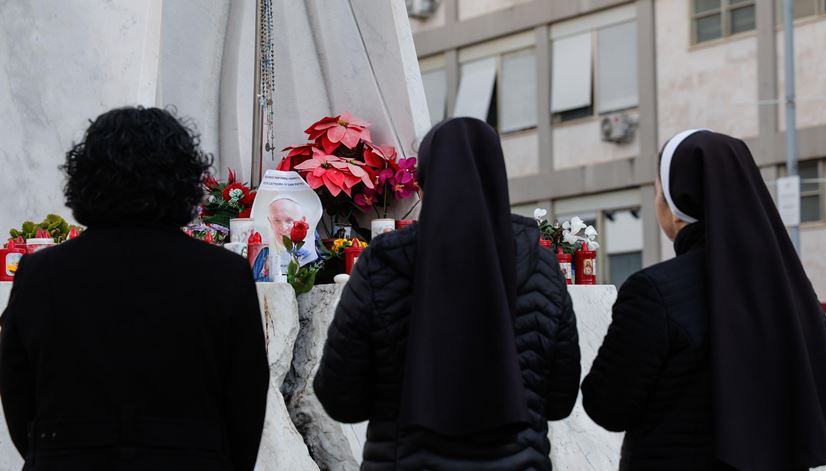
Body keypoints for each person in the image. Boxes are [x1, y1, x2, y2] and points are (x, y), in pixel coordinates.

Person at [0, 107, 269, 470]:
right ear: (183, 179)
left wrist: (52, 450)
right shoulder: (225, 274)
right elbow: (246, 401)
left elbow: (17, 394)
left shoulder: (40, 272)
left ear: (87, 177)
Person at [313, 117, 581, 470]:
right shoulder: (542, 267)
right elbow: (560, 401)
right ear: (497, 181)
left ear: (423, 188)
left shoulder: (384, 264)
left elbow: (339, 398)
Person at [581, 129, 826, 471]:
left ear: (676, 205)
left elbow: (608, 406)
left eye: (658, 192)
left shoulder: (653, 291)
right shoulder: (794, 292)